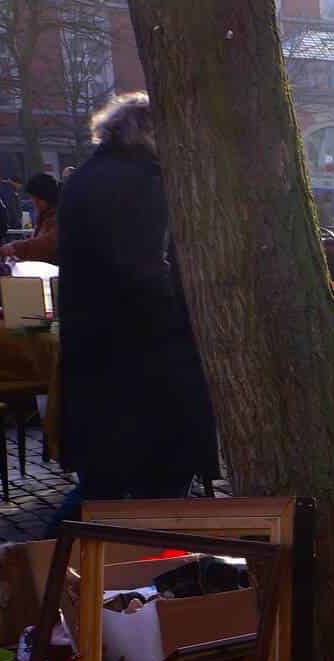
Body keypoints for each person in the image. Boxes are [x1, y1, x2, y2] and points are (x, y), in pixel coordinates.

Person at [55, 92, 216, 524]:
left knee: (102, 485)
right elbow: (145, 269)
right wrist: (187, 326)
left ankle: (47, 557)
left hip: (97, 354)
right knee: (161, 483)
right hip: (148, 361)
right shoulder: (143, 181)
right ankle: (53, 558)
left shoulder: (87, 176)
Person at [0, 173, 57, 262]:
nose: (35, 203)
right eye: (33, 199)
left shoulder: (60, 217)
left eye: (37, 200)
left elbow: (48, 243)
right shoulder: (45, 214)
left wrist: (16, 248)